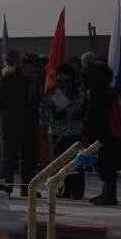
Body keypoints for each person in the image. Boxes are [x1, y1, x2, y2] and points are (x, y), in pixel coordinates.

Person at [0, 53, 38, 197]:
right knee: (8, 160)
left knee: (29, 161)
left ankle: (28, 189)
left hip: (29, 125)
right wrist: (8, 111)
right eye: (32, 67)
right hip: (11, 125)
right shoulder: (8, 79)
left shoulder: (34, 81)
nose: (35, 71)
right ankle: (5, 190)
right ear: (24, 66)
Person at [44, 63, 86, 198]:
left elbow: (81, 109)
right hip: (56, 132)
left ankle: (77, 191)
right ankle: (63, 189)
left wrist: (70, 113)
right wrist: (53, 115)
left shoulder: (78, 91)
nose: (61, 77)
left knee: (75, 163)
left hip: (74, 131)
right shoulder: (51, 91)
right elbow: (44, 112)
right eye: (59, 74)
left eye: (65, 74)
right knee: (59, 163)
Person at [83, 60, 119, 206]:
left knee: (106, 165)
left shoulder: (97, 92)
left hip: (102, 134)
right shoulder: (108, 90)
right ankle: (106, 193)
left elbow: (93, 116)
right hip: (110, 133)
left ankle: (109, 195)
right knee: (107, 164)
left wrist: (86, 130)